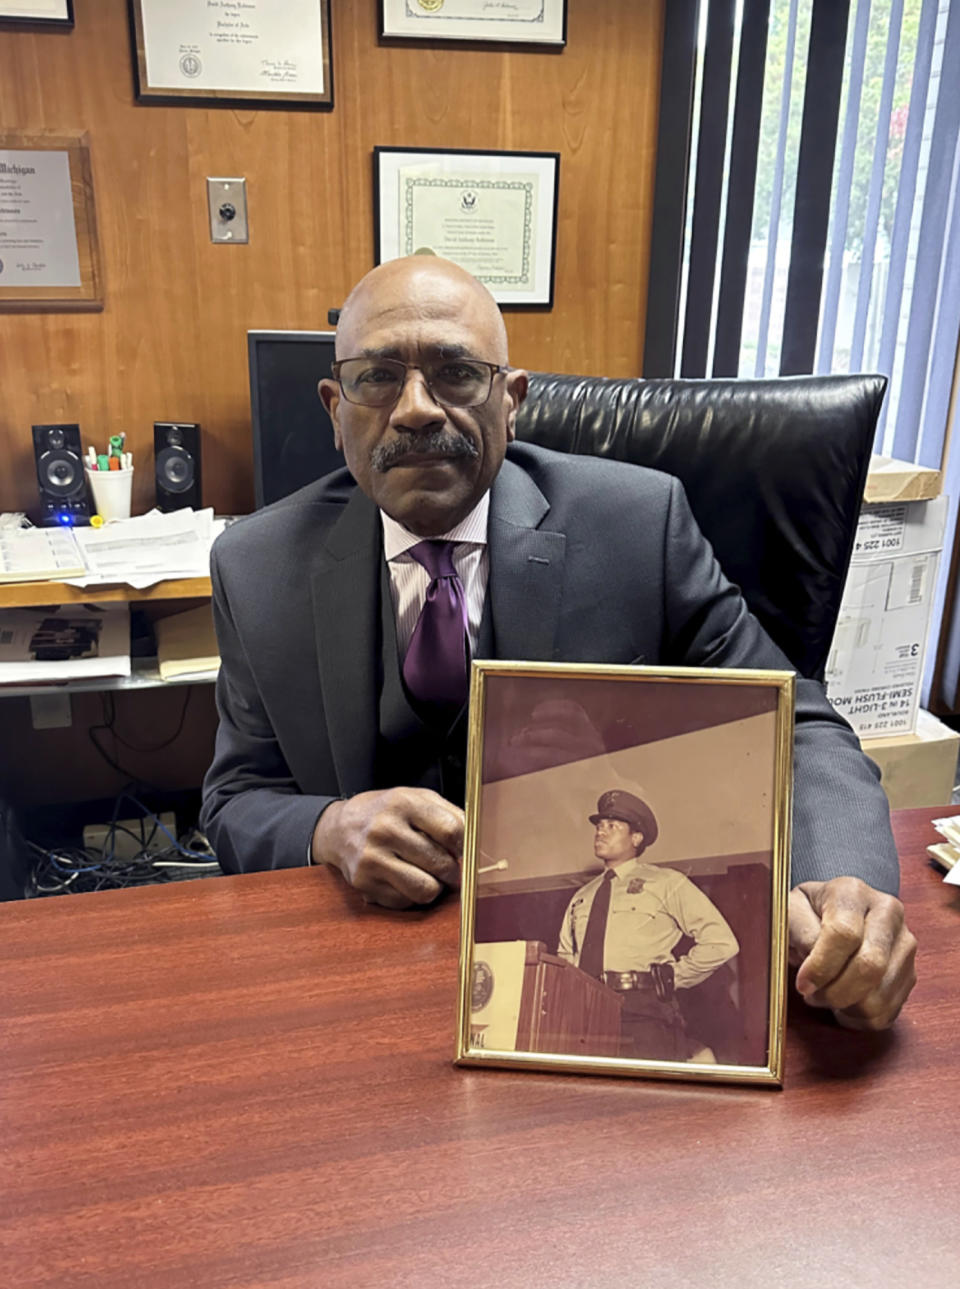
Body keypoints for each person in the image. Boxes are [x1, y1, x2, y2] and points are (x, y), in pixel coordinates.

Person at [200, 254, 917, 1032]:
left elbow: (800, 726)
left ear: (512, 402)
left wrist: (842, 880)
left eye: (456, 373)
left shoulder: (640, 526)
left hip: (591, 973)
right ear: (335, 410)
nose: (414, 409)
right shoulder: (258, 567)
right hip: (362, 981)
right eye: (377, 378)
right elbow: (235, 798)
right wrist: (326, 827)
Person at [558, 790, 739, 1062]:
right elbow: (566, 956)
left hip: (642, 1011)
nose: (600, 832)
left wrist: (671, 977)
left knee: (646, 1100)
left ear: (636, 838)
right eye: (598, 826)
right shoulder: (581, 896)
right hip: (584, 1013)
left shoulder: (666, 883)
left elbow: (722, 943)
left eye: (612, 826)